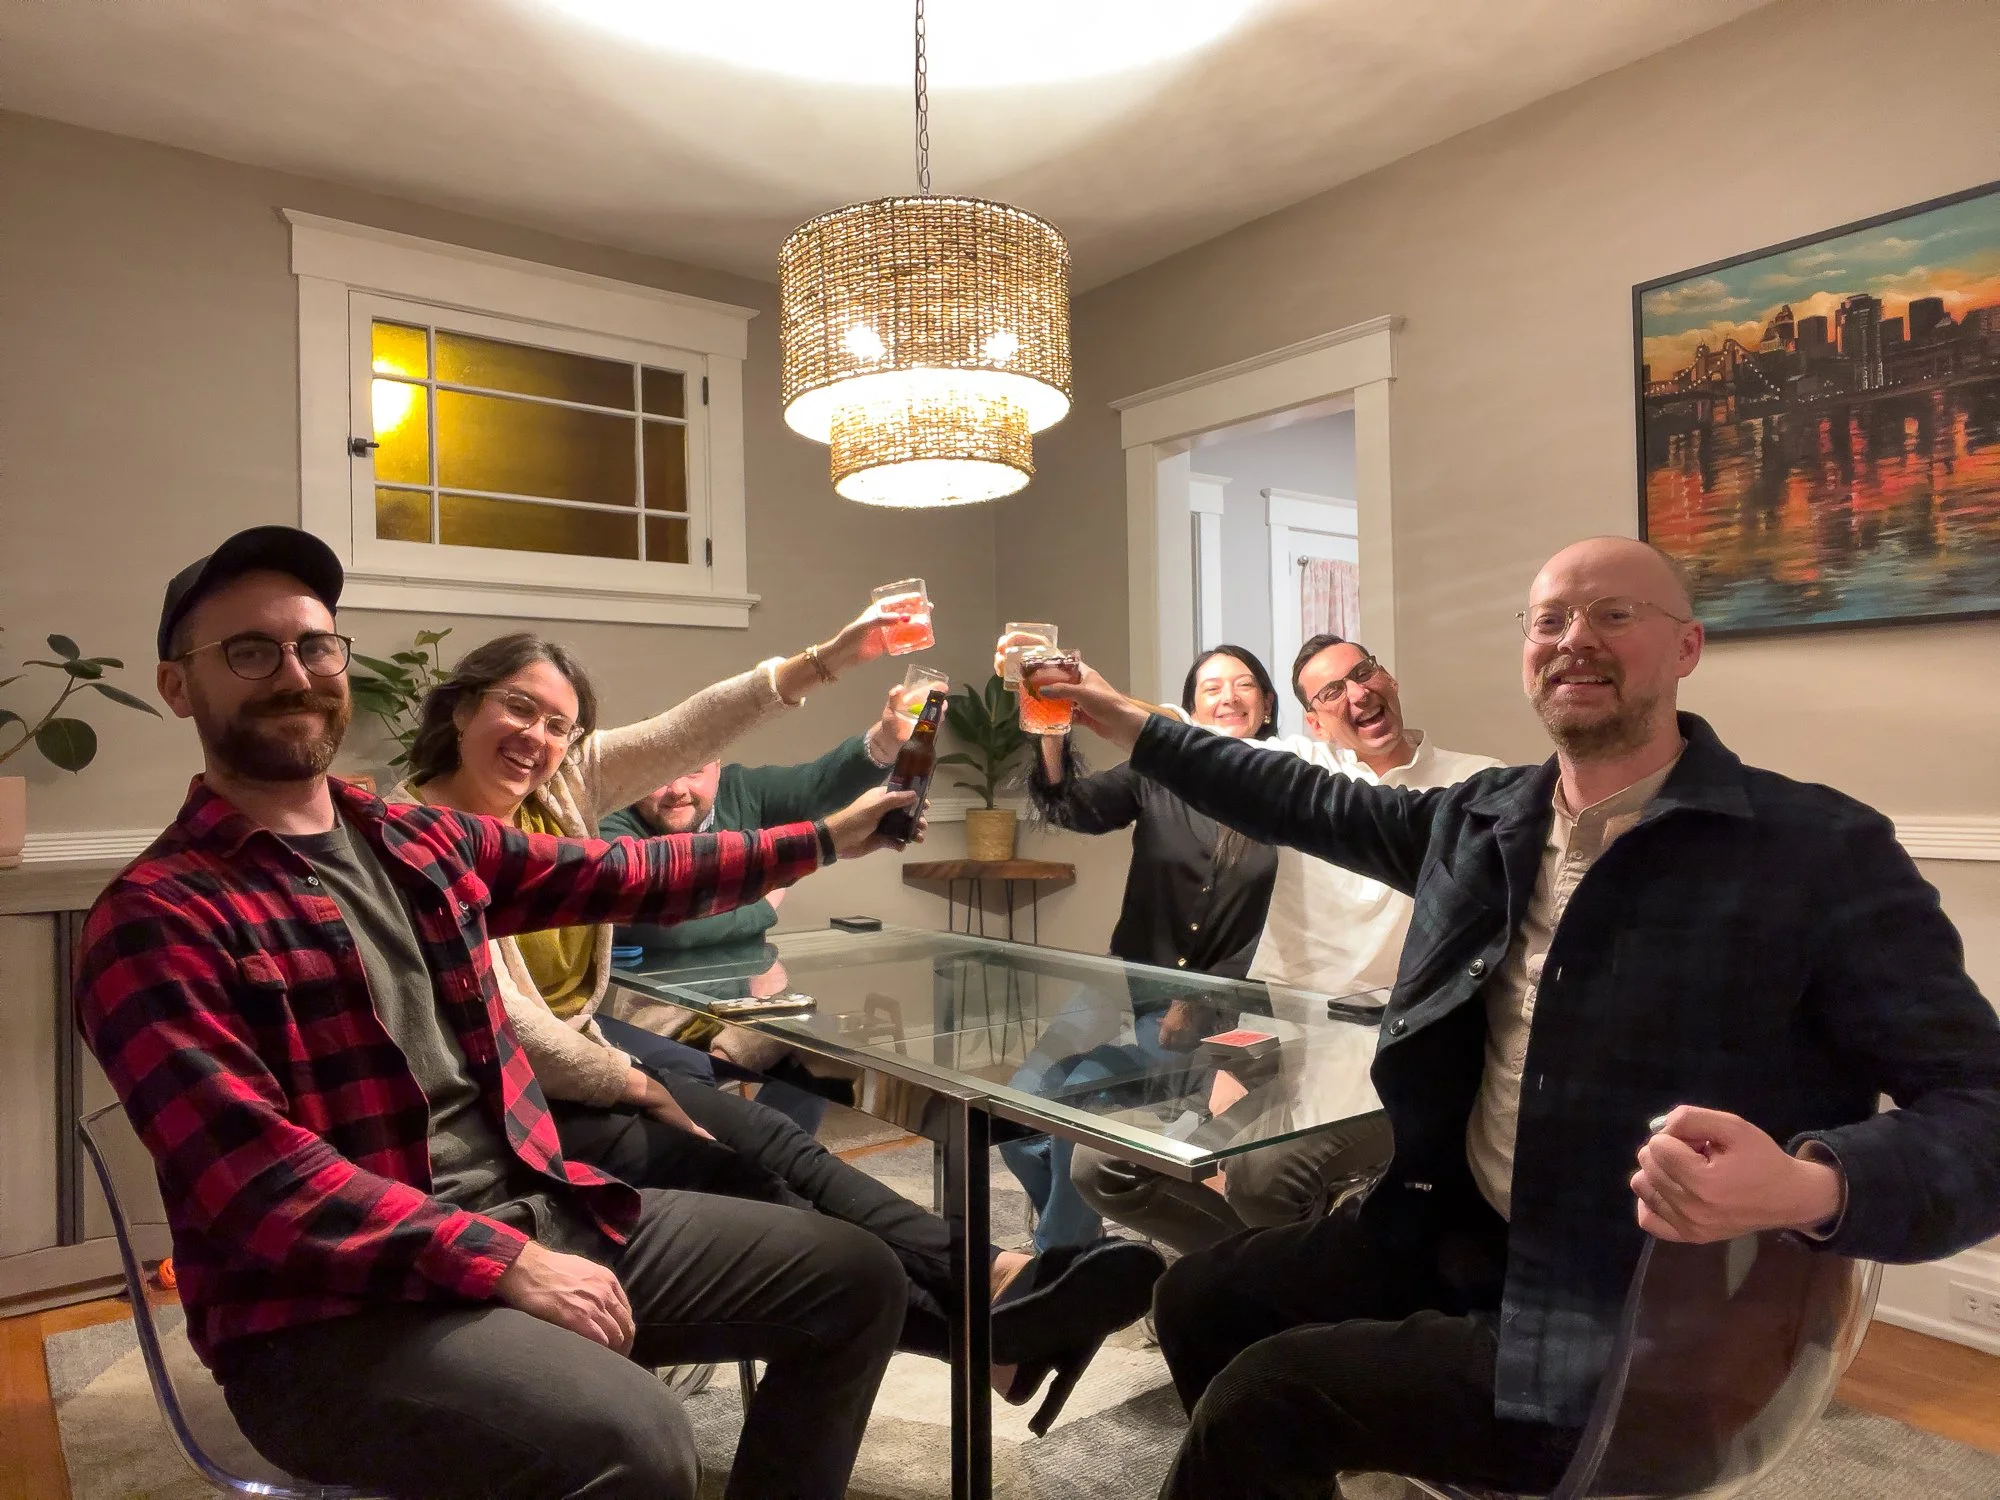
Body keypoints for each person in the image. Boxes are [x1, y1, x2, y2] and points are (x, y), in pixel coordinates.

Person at [1037, 536, 2000, 1499]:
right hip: (1457, 1233)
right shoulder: (1481, 822)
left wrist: (1806, 1184)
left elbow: (1982, 1105)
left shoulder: (1817, 853)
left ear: (1687, 648)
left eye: (1614, 614)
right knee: (1199, 1297)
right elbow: (1295, 796)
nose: (1575, 638)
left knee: (1266, 1397)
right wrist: (1120, 716)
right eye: (1550, 620)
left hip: (1636, 1326)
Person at [75, 526, 929, 1500]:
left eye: (315, 645)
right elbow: (260, 1183)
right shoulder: (155, 917)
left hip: (530, 1212)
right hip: (325, 1318)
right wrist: (502, 1260)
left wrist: (828, 838)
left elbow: (625, 873)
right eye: (249, 651)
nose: (296, 673)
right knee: (638, 1437)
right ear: (177, 687)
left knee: (857, 1279)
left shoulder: (412, 840)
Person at [392, 631, 1166, 1431]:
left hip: (597, 1053)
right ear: (462, 708)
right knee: (754, 1180)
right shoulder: (413, 835)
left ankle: (997, 1276)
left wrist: (834, 655)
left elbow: (693, 727)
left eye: (559, 723)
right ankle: (990, 1329)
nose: (539, 736)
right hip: (511, 1102)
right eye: (518, 708)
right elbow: (506, 1019)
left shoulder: (558, 790)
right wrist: (633, 1082)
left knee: (776, 1139)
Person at [1067, 636, 1501, 1255]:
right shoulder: (1303, 771)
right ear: (1313, 721)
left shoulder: (1474, 782)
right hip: (1299, 1050)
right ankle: (1252, 1277)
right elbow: (1196, 742)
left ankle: (1278, 1288)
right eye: (1331, 692)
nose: (1357, 695)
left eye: (1364, 673)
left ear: (1389, 679)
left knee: (1262, 1179)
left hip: (1407, 1059)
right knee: (1101, 1164)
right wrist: (1104, 701)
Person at [997, 645, 1282, 1253]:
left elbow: (1283, 922)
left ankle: (1058, 1260)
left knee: (1080, 1102)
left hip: (1217, 1008)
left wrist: (1198, 1000)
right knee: (1018, 1108)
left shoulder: (1287, 787)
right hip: (1126, 982)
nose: (1228, 697)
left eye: (1243, 685)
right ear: (1188, 710)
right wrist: (1051, 730)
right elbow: (1074, 807)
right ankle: (1082, 1242)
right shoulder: (1157, 774)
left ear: (1266, 705)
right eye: (1211, 688)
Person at [597, 689, 915, 1127]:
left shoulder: (743, 790)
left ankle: (773, 1157)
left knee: (819, 1046)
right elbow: (669, 926)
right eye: (660, 774)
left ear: (717, 767)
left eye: (694, 770)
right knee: (687, 1074)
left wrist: (886, 739)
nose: (677, 790)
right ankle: (731, 1158)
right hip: (639, 1006)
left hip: (741, 995)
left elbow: (819, 782)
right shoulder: (612, 819)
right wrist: (765, 898)